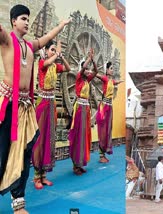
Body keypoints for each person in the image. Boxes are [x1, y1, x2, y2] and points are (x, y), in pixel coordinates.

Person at [0, 4, 70, 213]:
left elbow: (47, 37)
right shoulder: (6, 41)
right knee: (3, 154)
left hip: (26, 107)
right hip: (8, 105)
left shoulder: (30, 47)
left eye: (28, 19)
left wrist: (61, 25)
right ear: (13, 21)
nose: (27, 22)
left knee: (24, 154)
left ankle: (18, 204)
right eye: (23, 18)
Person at [32, 40, 71, 190]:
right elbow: (48, 62)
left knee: (49, 139)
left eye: (55, 50)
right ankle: (36, 176)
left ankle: (43, 176)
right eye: (52, 49)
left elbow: (68, 68)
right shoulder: (42, 63)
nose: (54, 52)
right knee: (40, 139)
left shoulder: (55, 67)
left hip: (51, 104)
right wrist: (56, 54)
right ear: (46, 50)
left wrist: (61, 56)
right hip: (42, 104)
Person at [68, 49, 98, 175]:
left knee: (84, 136)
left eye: (88, 70)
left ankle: (80, 164)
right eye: (86, 69)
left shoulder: (87, 81)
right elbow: (84, 67)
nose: (88, 71)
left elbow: (95, 72)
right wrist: (89, 59)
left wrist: (94, 62)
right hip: (79, 108)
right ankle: (75, 165)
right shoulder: (79, 78)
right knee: (78, 136)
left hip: (86, 109)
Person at [95, 61, 124, 163]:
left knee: (108, 130)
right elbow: (97, 75)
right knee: (102, 130)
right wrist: (92, 69)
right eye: (111, 68)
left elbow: (113, 83)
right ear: (106, 70)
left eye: (112, 68)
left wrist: (119, 82)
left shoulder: (111, 80)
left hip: (110, 107)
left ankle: (103, 153)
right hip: (104, 107)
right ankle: (101, 155)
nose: (112, 70)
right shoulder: (105, 78)